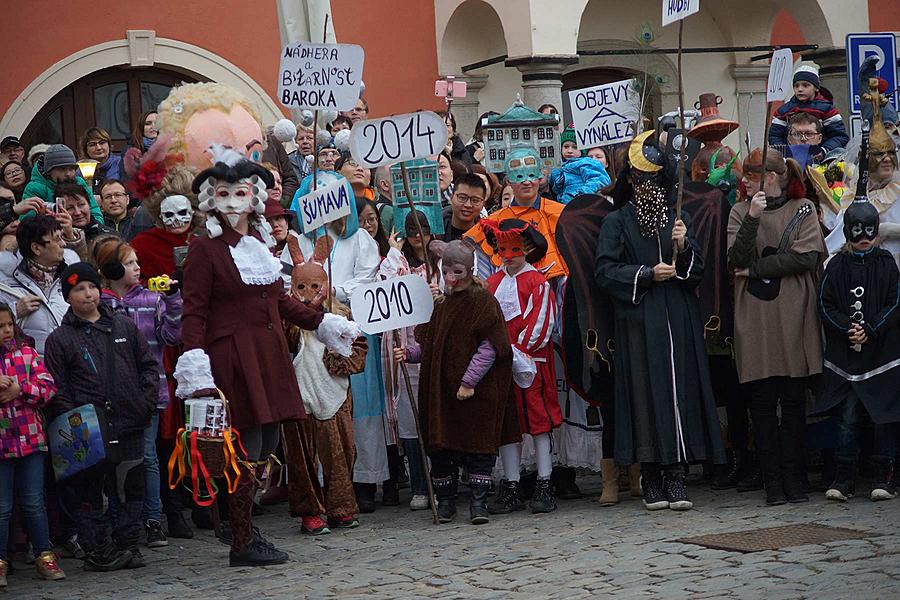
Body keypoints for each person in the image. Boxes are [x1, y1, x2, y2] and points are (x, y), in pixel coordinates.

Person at [176, 147, 358, 567]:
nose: (234, 202)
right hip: (234, 358)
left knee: (268, 443)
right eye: (224, 194)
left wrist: (326, 324)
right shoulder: (206, 249)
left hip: (269, 354)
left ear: (252, 196)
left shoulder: (257, 245)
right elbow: (194, 313)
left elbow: (281, 302)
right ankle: (241, 537)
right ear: (212, 199)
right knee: (247, 445)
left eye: (241, 193)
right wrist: (197, 370)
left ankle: (244, 528)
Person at [595, 130, 725, 511]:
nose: (646, 188)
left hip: (677, 318)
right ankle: (651, 475)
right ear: (630, 182)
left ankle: (677, 475)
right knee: (644, 394)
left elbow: (698, 270)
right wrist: (647, 274)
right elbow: (604, 270)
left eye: (652, 180)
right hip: (639, 319)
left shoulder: (679, 217)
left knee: (678, 391)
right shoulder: (617, 221)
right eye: (638, 180)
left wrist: (684, 250)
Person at [44, 262, 159, 571]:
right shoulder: (60, 339)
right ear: (68, 296)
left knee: (130, 487)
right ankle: (100, 550)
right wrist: (75, 419)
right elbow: (58, 387)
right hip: (89, 431)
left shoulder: (122, 326)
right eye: (79, 289)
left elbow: (148, 366)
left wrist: (145, 401)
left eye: (92, 287)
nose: (88, 294)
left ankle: (129, 544)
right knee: (90, 493)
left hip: (130, 420)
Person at [394, 241, 519, 524]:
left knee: (477, 446)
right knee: (442, 447)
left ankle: (478, 503)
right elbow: (431, 345)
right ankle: (446, 501)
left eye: (457, 271)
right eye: (446, 271)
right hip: (443, 393)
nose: (451, 278)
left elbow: (491, 347)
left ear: (469, 271)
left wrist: (469, 381)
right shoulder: (442, 305)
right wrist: (409, 353)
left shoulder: (483, 302)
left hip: (476, 393)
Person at [727, 148, 824, 505]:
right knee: (763, 402)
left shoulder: (803, 209)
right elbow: (735, 257)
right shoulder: (739, 211)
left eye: (751, 176)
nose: (744, 181)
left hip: (792, 311)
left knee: (794, 400)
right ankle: (772, 484)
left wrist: (756, 270)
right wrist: (752, 216)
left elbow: (806, 256)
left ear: (771, 177)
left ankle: (795, 480)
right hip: (755, 314)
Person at [95, 238, 183, 547]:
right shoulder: (100, 304)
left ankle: (152, 519)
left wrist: (173, 301)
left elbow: (172, 335)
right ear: (112, 268)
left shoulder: (151, 298)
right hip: (112, 395)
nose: (137, 268)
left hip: (149, 392)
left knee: (147, 456)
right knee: (117, 458)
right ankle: (121, 517)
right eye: (130, 263)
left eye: (136, 262)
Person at [817, 200, 900, 502]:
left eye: (869, 231)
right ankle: (844, 477)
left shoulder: (887, 264)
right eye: (856, 231)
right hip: (848, 361)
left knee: (885, 419)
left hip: (882, 359)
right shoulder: (836, 266)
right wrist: (846, 329)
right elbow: (825, 305)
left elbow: (895, 302)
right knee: (848, 418)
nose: (863, 237)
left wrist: (872, 328)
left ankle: (885, 476)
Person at [282, 241, 367, 534]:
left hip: (333, 392)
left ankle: (341, 507)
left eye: (314, 287)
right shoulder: (286, 318)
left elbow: (358, 348)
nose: (307, 296)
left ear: (325, 284)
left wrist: (339, 359)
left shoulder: (340, 316)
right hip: (299, 392)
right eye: (300, 288)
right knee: (301, 455)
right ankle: (309, 509)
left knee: (340, 451)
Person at [483, 219, 562, 514]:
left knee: (538, 423)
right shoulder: (492, 283)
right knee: (508, 426)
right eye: (503, 250)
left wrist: (519, 351)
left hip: (532, 364)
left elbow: (542, 322)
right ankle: (512, 484)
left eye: (515, 249)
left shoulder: (538, 283)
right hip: (500, 365)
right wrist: (498, 351)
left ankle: (544, 482)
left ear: (527, 249)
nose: (509, 256)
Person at [378, 210, 441, 511]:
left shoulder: (439, 262)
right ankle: (419, 483)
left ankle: (442, 480)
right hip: (404, 347)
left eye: (424, 228)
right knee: (410, 419)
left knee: (435, 416)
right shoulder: (397, 263)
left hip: (433, 345)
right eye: (412, 229)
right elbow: (382, 288)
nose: (418, 235)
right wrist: (392, 249)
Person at [0, 302, 65, 588]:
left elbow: (48, 387)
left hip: (31, 440)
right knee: (2, 506)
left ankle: (44, 554)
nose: (5, 331)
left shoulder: (26, 353)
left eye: (8, 325)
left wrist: (21, 390)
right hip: (2, 443)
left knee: (33, 501)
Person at [0, 214, 79, 355]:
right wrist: (14, 312)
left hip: (73, 364)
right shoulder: (4, 282)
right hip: (30, 370)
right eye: (57, 239)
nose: (63, 244)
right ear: (36, 248)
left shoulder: (73, 275)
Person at [768, 62, 848, 153]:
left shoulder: (828, 110)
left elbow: (840, 136)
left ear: (816, 88)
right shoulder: (784, 111)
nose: (800, 89)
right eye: (796, 86)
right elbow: (774, 136)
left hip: (823, 158)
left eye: (805, 85)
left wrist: (824, 151)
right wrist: (785, 151)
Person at [21, 144, 104, 224]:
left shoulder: (80, 182)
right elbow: (27, 222)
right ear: (49, 171)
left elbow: (94, 210)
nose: (68, 173)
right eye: (62, 169)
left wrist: (95, 228)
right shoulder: (34, 188)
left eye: (71, 169)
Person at [54, 182, 118, 260]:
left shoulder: (109, 235)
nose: (77, 212)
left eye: (81, 205)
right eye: (70, 208)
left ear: (89, 205)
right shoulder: (56, 240)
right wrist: (70, 236)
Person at [548, 126, 611, 203]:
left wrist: (582, 194)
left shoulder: (586, 162)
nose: (570, 151)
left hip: (583, 204)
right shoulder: (559, 167)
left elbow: (600, 179)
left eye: (575, 147)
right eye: (566, 147)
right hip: (564, 206)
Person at [443, 173, 486, 242]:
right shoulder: (434, 233)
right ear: (451, 197)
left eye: (475, 200)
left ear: (483, 204)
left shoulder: (488, 236)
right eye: (462, 198)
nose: (468, 205)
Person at [79, 127, 124, 193]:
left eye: (102, 143)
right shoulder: (81, 170)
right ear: (86, 150)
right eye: (92, 145)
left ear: (109, 145)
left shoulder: (121, 164)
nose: (98, 148)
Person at [122, 111, 159, 180]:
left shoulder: (170, 148)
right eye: (148, 124)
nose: (153, 126)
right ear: (141, 127)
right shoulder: (130, 151)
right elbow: (128, 179)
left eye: (157, 123)